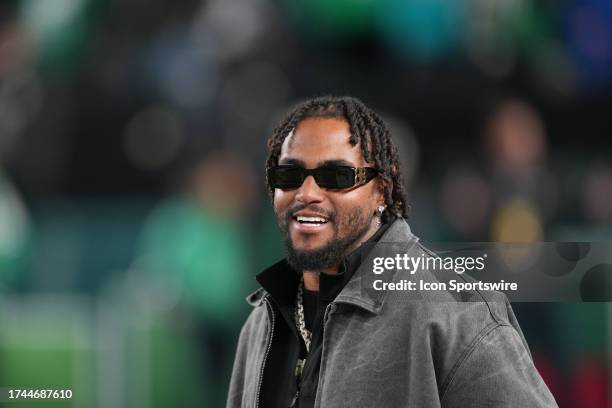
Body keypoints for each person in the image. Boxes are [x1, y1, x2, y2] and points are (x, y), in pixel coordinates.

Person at [227, 96, 558, 407]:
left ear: (381, 191)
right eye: (290, 174)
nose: (306, 192)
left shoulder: (457, 314)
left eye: (336, 176)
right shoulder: (262, 322)